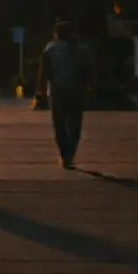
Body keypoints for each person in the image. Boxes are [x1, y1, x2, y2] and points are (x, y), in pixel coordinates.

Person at [37, 20, 86, 169]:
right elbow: (88, 67)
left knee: (59, 124)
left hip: (57, 91)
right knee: (75, 124)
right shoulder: (80, 49)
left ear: (56, 34)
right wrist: (90, 84)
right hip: (76, 90)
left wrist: (42, 90)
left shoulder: (50, 49)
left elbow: (44, 71)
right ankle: (70, 153)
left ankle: (65, 154)